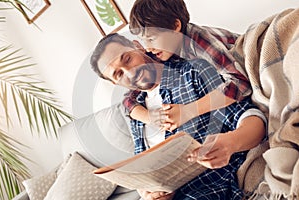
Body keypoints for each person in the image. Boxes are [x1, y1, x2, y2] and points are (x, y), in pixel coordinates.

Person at [90, 33, 266, 200]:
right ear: (115, 83)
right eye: (119, 74)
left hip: (207, 188)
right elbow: (143, 169)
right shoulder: (136, 113)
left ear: (138, 47)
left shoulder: (191, 73)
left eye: (127, 59)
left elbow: (252, 118)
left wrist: (231, 142)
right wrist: (147, 192)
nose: (130, 72)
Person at [124, 0, 251, 131]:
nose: (148, 47)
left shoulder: (199, 42)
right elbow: (128, 99)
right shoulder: (163, 51)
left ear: (175, 26)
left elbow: (240, 84)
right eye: (143, 40)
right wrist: (150, 117)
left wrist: (188, 111)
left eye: (151, 39)